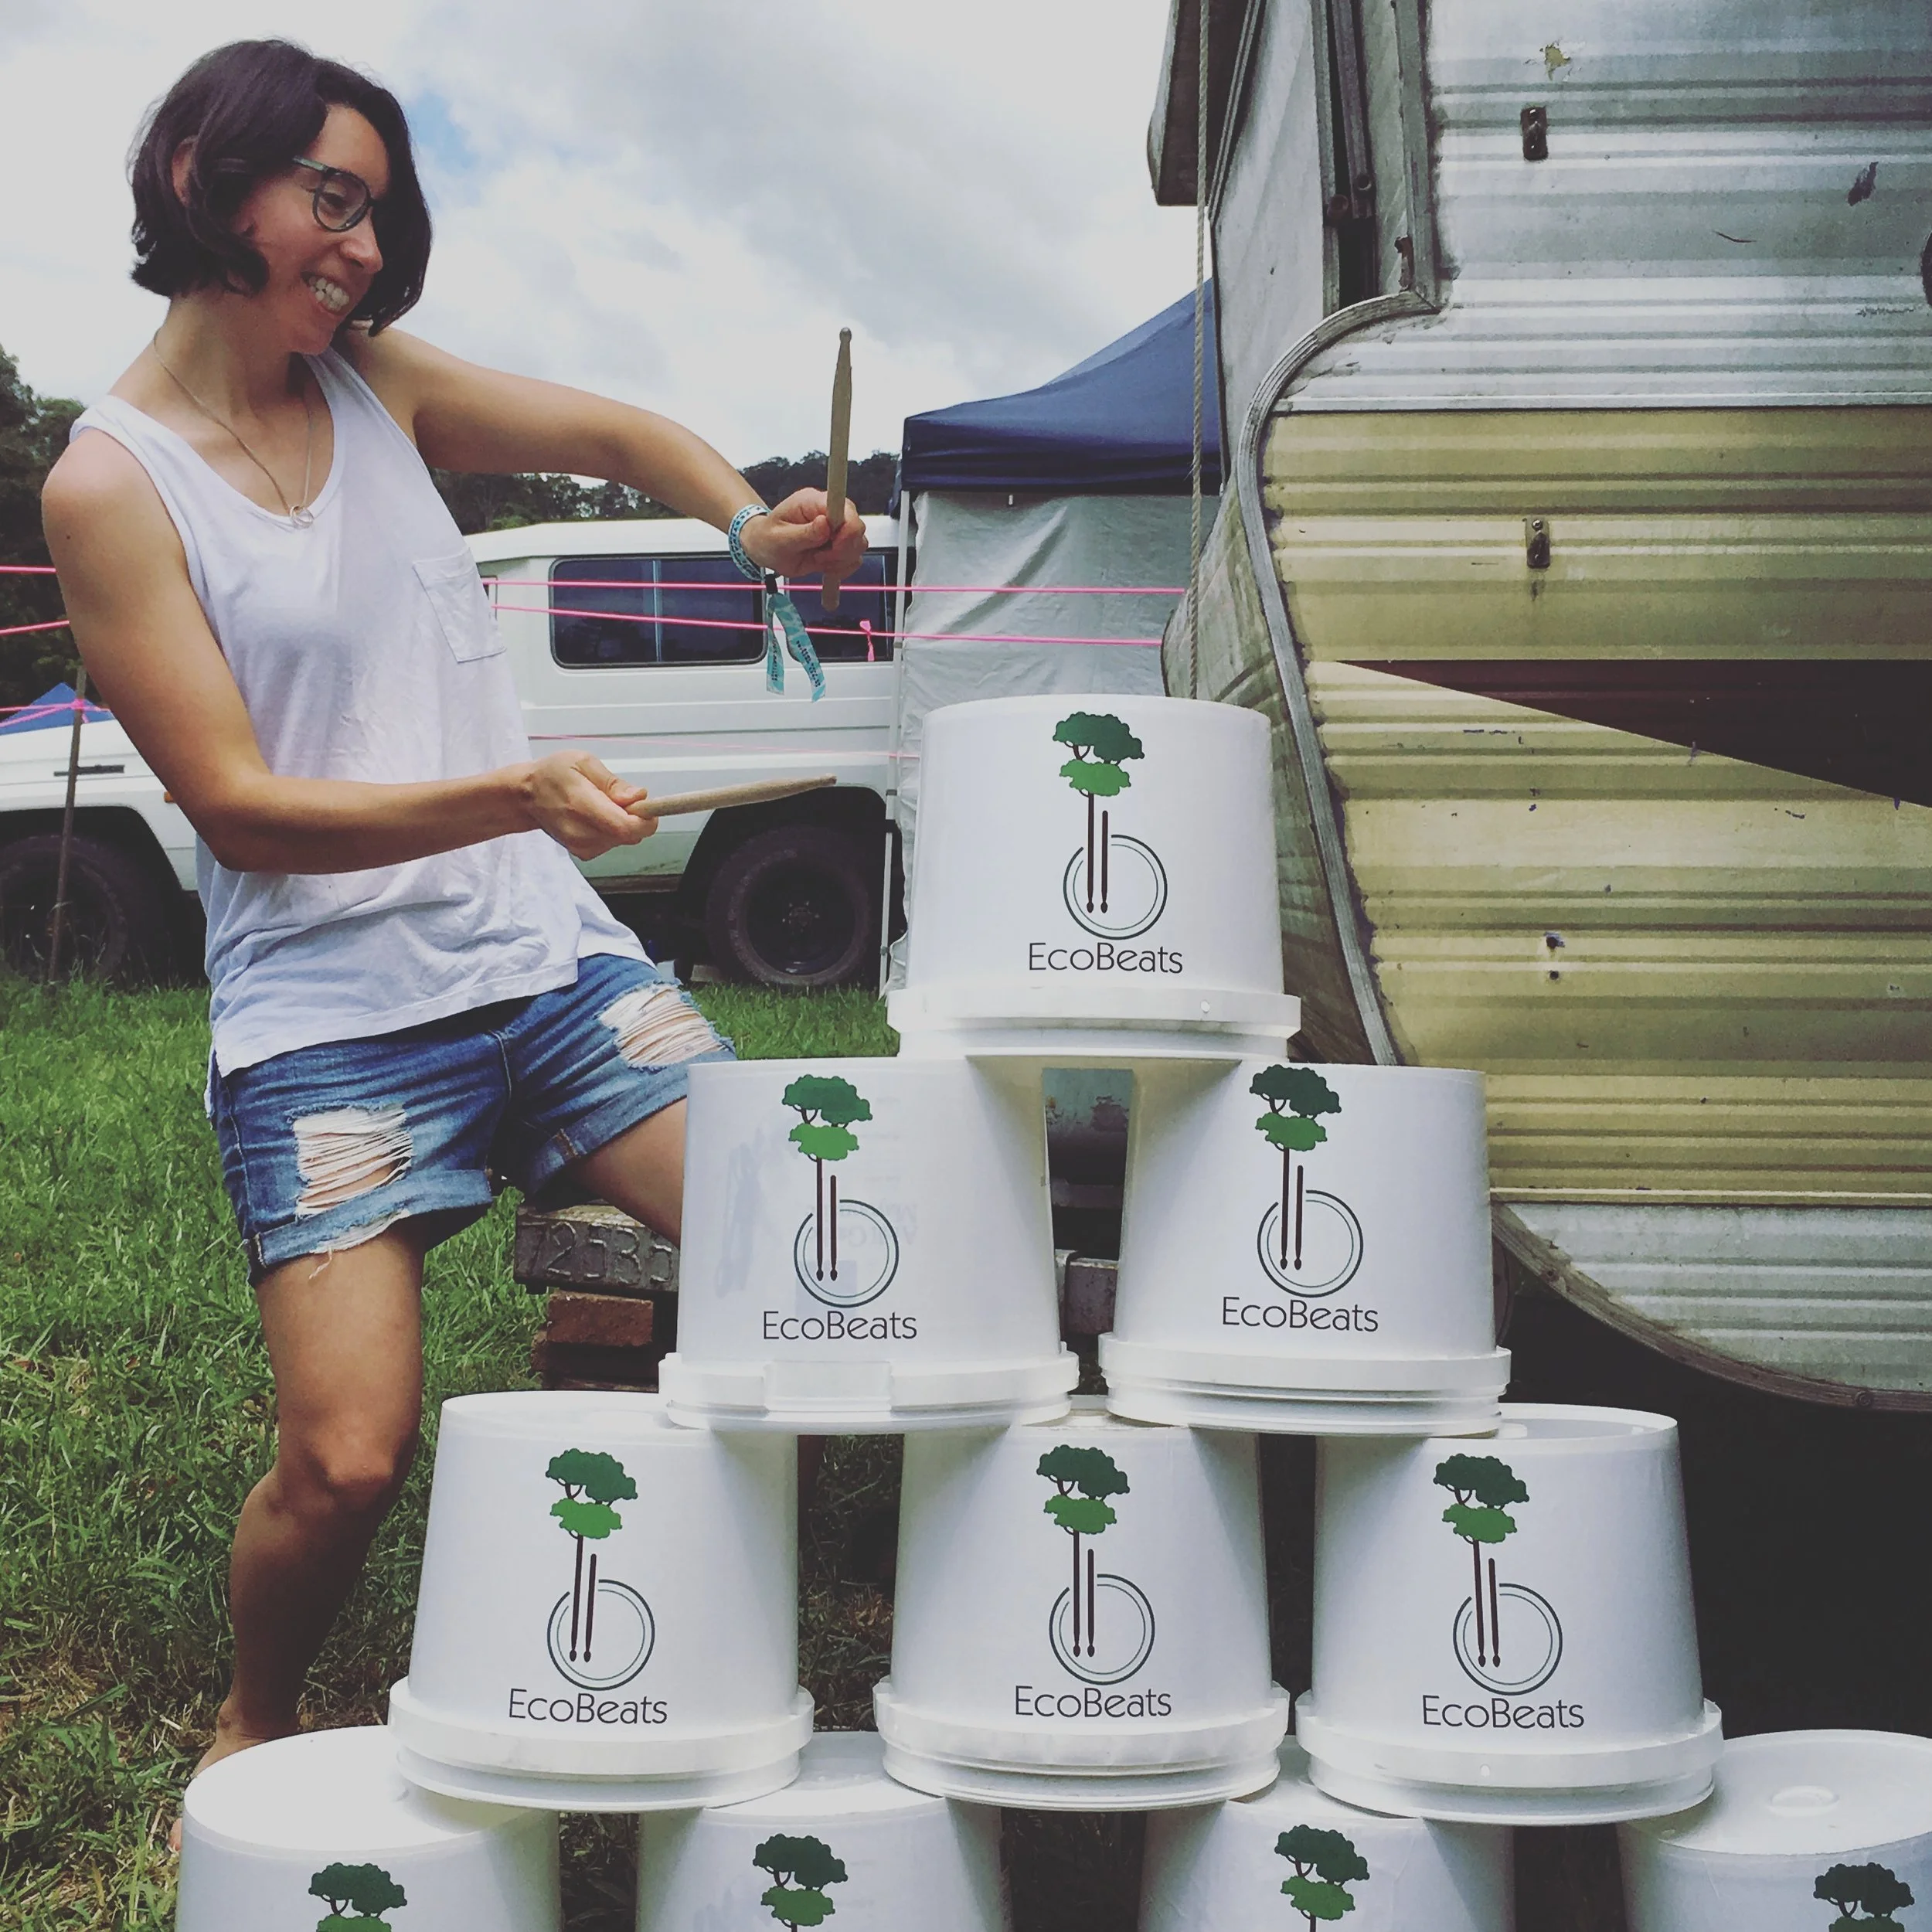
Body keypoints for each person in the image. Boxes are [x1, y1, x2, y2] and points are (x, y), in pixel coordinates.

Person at [39, 37, 864, 1804]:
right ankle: (258, 1708)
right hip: (329, 1018)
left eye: (377, 214)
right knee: (344, 1455)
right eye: (328, 198)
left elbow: (615, 431)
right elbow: (243, 805)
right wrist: (513, 791)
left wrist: (746, 530)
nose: (357, 246)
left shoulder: (376, 384)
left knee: (819, 1237)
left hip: (544, 968)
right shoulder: (109, 487)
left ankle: (711, 1602)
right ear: (203, 170)